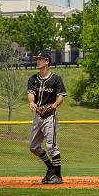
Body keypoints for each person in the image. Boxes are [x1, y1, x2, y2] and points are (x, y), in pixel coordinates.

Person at [27, 52, 67, 184]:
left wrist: (55, 105)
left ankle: (58, 176)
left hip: (50, 116)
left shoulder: (56, 79)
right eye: (37, 59)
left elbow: (60, 96)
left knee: (52, 146)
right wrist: (32, 102)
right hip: (38, 115)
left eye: (40, 59)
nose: (37, 61)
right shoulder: (33, 79)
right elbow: (31, 95)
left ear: (47, 62)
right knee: (33, 146)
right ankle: (51, 168)